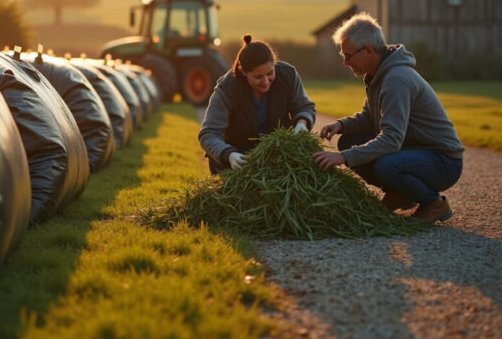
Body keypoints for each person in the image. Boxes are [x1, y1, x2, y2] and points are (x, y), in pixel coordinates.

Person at [311, 12, 464, 226]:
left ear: (368, 50)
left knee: (387, 166)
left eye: (348, 55)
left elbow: (391, 139)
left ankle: (434, 203)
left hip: (443, 161)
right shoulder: (379, 75)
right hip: (415, 150)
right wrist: (341, 125)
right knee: (348, 139)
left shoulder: (396, 79)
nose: (345, 62)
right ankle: (401, 193)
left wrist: (343, 157)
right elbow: (369, 117)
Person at [199, 34, 316, 174]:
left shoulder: (288, 75)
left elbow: (304, 107)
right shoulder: (227, 90)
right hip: (238, 163)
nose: (266, 81)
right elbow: (209, 134)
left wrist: (302, 124)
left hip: (278, 159)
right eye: (258, 77)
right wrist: (229, 155)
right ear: (243, 72)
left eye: (270, 73)